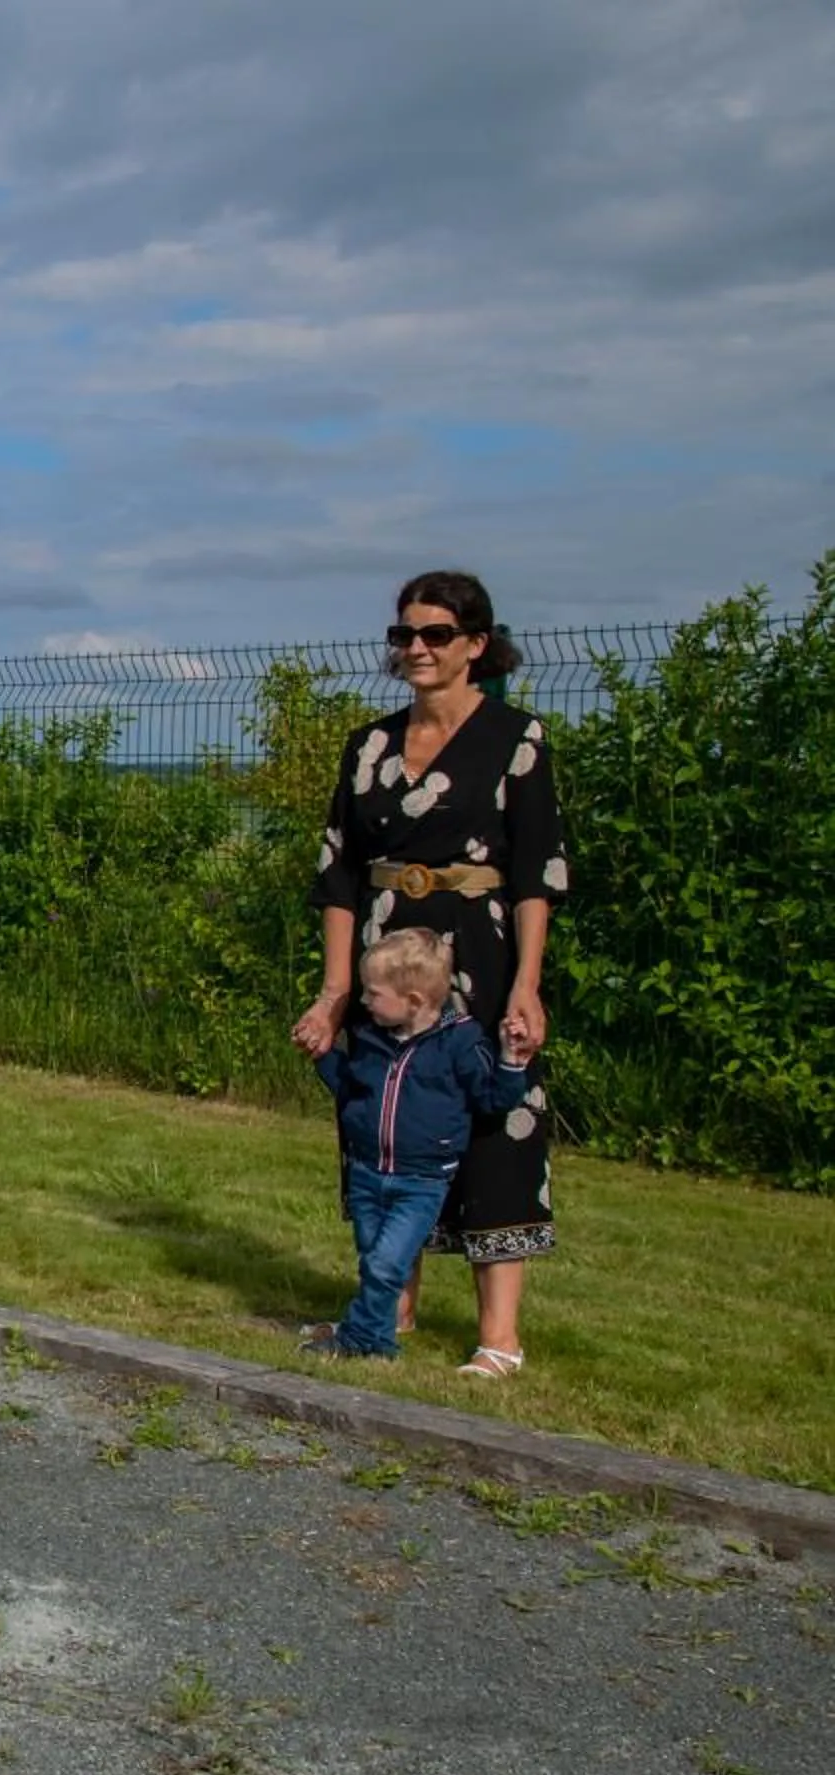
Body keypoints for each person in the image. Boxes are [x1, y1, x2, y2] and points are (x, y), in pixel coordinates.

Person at [291, 569, 570, 1379]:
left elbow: (537, 872)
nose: (416, 647)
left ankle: (499, 1338)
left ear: (475, 645)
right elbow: (338, 875)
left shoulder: (517, 738)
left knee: (495, 1126)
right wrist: (335, 992)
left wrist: (527, 984)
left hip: (480, 960)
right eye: (405, 633)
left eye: (436, 634)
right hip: (385, 962)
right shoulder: (369, 746)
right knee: (381, 1123)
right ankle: (390, 1307)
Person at [301, 931, 534, 1360]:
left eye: (373, 993)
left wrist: (511, 1063)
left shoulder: (460, 1042)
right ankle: (378, 1342)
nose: (364, 1002)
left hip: (421, 1181)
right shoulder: (372, 1039)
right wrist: (322, 1057)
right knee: (373, 1259)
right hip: (368, 1171)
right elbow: (351, 1090)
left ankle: (358, 1337)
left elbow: (491, 1100)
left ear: (413, 1000)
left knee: (387, 1263)